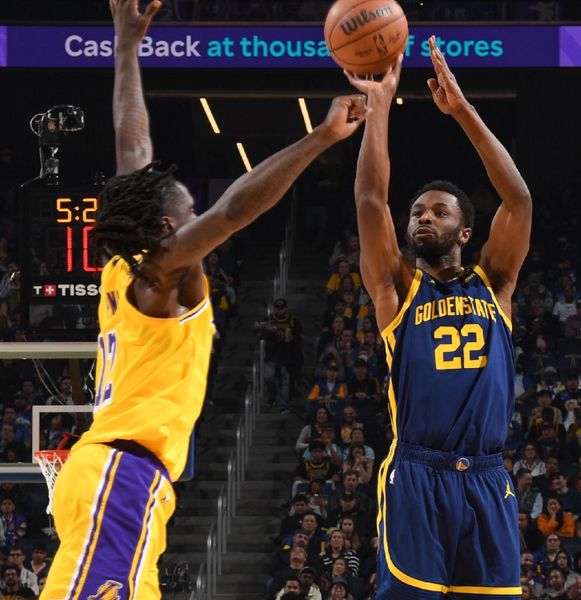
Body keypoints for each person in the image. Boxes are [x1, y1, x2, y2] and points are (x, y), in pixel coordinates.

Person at [39, 2, 366, 598]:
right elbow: (236, 210)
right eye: (188, 210)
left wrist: (127, 49)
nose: (198, 215)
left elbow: (131, 147)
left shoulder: (127, 267)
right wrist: (319, 138)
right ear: (167, 229)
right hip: (121, 474)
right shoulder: (159, 274)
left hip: (121, 477)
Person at [345, 34, 532, 598]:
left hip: (487, 475)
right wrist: (379, 108)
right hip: (417, 475)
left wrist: (463, 112)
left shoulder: (494, 283)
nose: (423, 217)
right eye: (417, 212)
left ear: (465, 231)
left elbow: (519, 200)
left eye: (439, 211)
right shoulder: (397, 289)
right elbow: (371, 201)